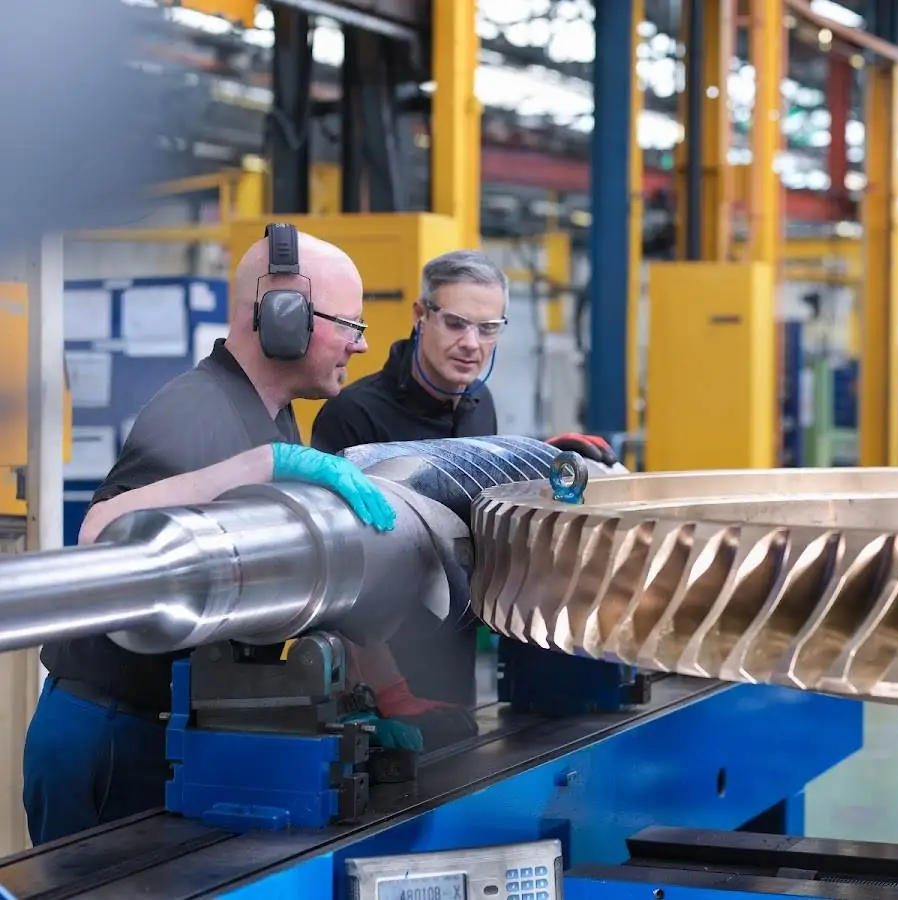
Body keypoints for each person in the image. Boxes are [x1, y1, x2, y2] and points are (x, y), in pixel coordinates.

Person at [23, 224, 397, 846]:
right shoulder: (196, 407)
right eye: (349, 324)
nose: (360, 345)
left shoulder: (272, 418)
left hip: (165, 729)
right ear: (283, 317)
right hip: (109, 733)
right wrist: (260, 468)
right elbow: (97, 535)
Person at [311, 250, 619, 748]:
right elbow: (337, 568)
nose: (471, 344)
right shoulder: (355, 416)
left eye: (488, 328)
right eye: (455, 323)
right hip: (378, 682)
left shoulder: (480, 405)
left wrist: (539, 461)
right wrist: (388, 692)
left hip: (452, 657)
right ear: (420, 315)